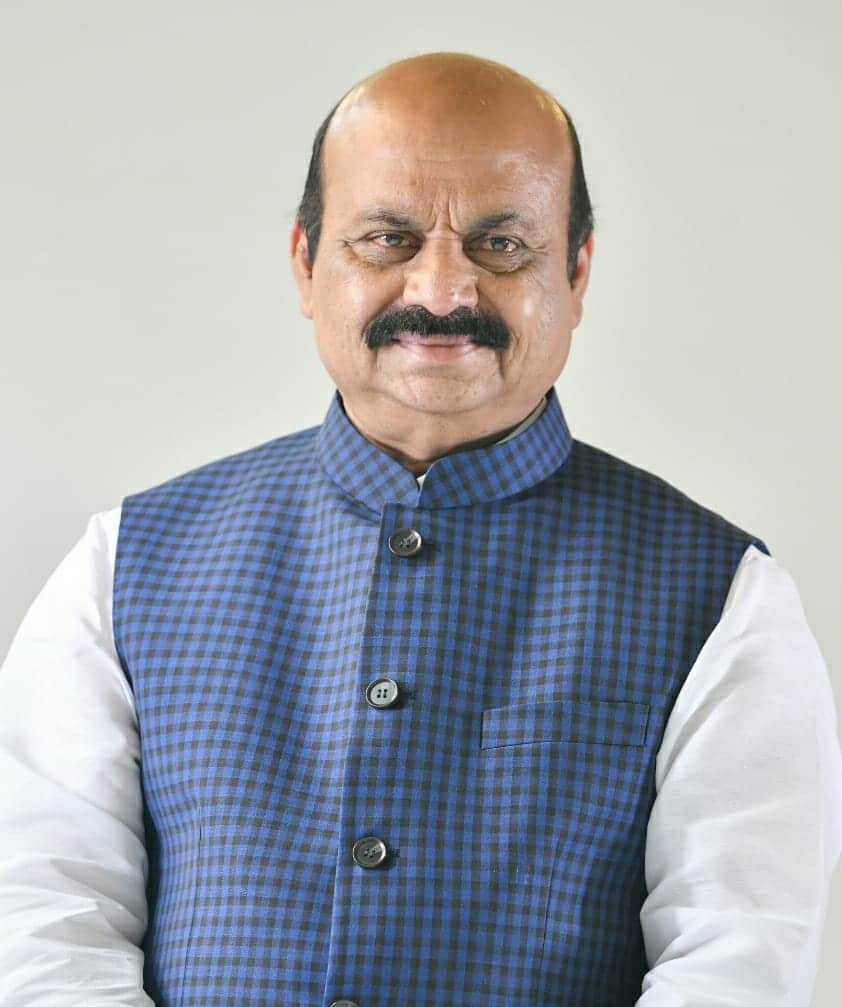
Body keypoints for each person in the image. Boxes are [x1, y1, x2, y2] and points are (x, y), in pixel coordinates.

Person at [0, 50, 840, 1007]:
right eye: (388, 240)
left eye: (501, 244)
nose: (442, 292)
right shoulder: (126, 564)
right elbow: (43, 921)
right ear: (306, 263)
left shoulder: (721, 597)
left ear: (576, 270)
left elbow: (734, 968)